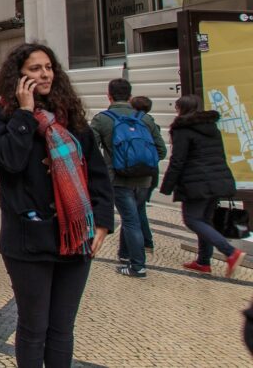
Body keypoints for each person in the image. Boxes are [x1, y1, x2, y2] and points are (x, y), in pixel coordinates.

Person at [0, 43, 113, 368]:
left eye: (48, 67)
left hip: (75, 237)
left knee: (62, 329)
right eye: (34, 69)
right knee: (33, 327)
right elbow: (9, 163)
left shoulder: (70, 116)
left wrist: (101, 221)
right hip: (28, 239)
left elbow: (97, 173)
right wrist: (25, 113)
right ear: (18, 77)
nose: (44, 74)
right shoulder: (1, 116)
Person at [89, 78, 167, 278]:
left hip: (117, 179)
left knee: (130, 220)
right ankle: (125, 255)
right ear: (130, 96)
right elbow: (161, 150)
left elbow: (89, 150)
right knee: (133, 216)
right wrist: (141, 164)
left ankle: (138, 266)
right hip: (144, 180)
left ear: (109, 96)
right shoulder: (145, 119)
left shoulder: (102, 119)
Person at [160, 94, 245, 277]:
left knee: (192, 219)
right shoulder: (212, 127)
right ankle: (203, 262)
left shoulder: (182, 129)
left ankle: (230, 252)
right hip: (217, 179)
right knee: (205, 220)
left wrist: (167, 186)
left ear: (182, 109)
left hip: (196, 183)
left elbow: (177, 160)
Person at [129, 95, 160, 251]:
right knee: (139, 207)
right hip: (151, 171)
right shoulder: (153, 124)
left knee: (134, 211)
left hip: (134, 171)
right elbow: (161, 150)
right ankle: (145, 242)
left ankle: (141, 245)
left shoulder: (130, 123)